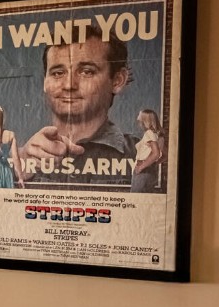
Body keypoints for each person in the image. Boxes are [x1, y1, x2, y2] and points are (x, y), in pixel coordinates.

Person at [17, 34, 148, 190]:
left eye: (86, 72)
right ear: (45, 82)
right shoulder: (14, 160)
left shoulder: (143, 155)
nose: (69, 85)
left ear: (118, 80)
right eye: (58, 73)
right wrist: (14, 170)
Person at [132, 108, 165, 192]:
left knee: (136, 199)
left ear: (145, 122)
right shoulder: (158, 135)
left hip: (143, 171)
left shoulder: (149, 133)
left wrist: (141, 167)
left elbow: (156, 154)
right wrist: (154, 163)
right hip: (151, 171)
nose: (139, 123)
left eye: (140, 121)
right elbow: (165, 155)